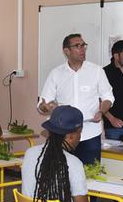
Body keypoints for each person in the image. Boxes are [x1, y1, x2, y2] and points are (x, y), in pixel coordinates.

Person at [38, 33, 114, 166]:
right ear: (66, 51)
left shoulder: (96, 71)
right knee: (62, 173)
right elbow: (42, 104)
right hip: (64, 136)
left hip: (90, 132)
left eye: (84, 45)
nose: (82, 49)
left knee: (90, 174)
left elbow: (108, 97)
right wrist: (45, 107)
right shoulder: (56, 73)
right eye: (77, 46)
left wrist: (101, 111)